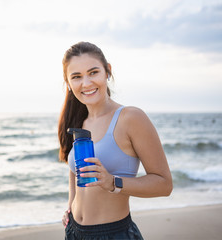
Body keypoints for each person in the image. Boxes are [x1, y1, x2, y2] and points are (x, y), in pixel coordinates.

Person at [58, 42, 173, 240]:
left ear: (107, 71)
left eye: (93, 72)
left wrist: (112, 182)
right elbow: (74, 169)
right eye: (76, 77)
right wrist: (71, 203)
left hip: (113, 234)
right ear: (68, 81)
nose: (86, 83)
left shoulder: (131, 118)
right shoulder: (78, 120)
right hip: (74, 231)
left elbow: (164, 184)